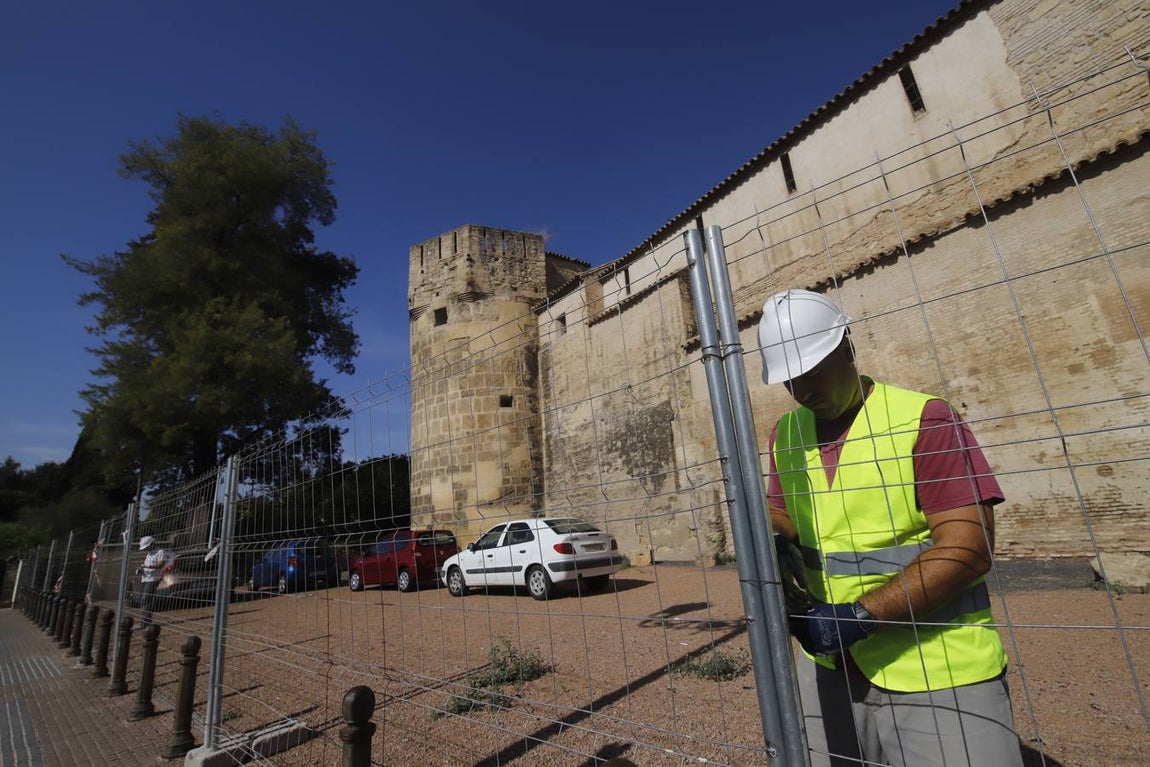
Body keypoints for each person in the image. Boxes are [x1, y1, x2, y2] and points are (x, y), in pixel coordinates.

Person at [758, 289, 1023, 767]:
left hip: (938, 666)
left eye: (813, 370)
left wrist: (858, 617)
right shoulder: (787, 434)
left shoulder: (925, 418)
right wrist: (776, 536)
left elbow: (970, 547)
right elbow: (782, 510)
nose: (802, 389)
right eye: (791, 379)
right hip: (829, 666)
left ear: (846, 346)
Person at [136, 535, 175, 629]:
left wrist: (148, 567)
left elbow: (161, 564)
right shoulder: (149, 554)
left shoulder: (160, 552)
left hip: (153, 579)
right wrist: (142, 569)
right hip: (145, 578)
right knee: (144, 599)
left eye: (147, 547)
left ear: (152, 544)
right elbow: (147, 565)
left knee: (147, 599)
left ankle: (145, 622)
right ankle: (145, 621)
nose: (146, 549)